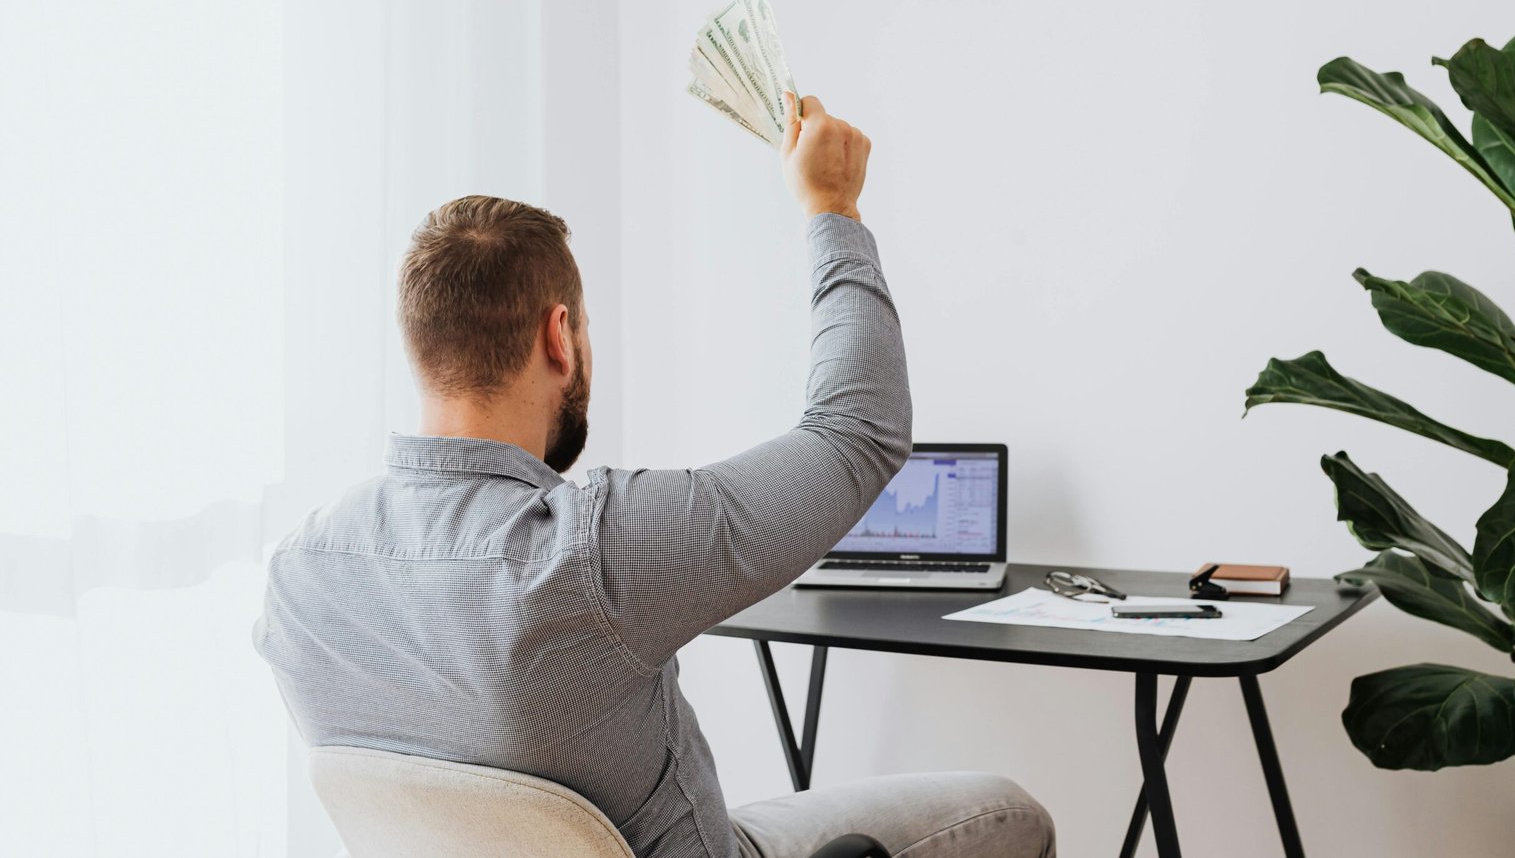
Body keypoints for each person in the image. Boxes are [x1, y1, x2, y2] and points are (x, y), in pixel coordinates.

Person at [255, 93, 1056, 858]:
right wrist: (832, 207)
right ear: (559, 336)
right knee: (1010, 810)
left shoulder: (299, 578)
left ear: (422, 349)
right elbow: (858, 433)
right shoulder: (590, 553)